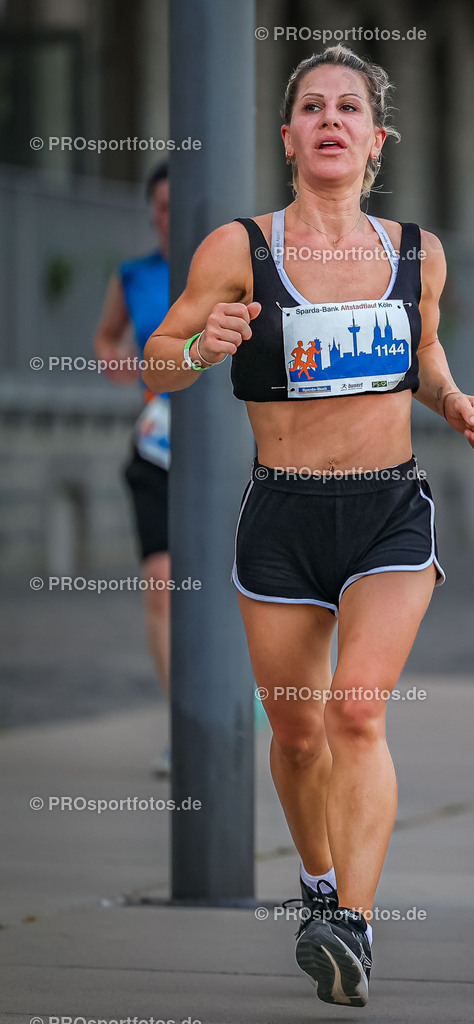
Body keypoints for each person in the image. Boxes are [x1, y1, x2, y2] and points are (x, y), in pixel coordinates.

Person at [142, 45, 474, 1008]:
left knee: (355, 713)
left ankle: (351, 921)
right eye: (312, 106)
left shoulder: (415, 252)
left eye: (350, 107)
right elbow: (158, 358)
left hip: (388, 511)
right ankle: (315, 884)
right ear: (290, 135)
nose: (331, 119)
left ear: (375, 140)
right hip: (283, 515)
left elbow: (423, 357)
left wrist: (457, 402)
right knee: (297, 735)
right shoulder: (237, 248)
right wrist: (198, 346)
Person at [93, 162, 172, 776]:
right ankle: (185, 724)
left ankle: (242, 690)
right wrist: (126, 372)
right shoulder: (135, 275)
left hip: (230, 455)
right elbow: (107, 337)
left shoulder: (228, 268)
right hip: (158, 447)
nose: (168, 217)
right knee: (163, 588)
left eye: (179, 205)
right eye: (160, 206)